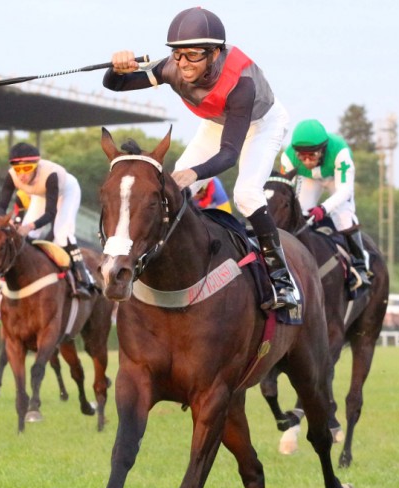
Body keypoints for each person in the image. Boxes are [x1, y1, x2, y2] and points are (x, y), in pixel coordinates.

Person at [104, 6, 296, 310]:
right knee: (172, 190)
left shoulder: (240, 84)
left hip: (261, 124)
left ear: (215, 54)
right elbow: (115, 85)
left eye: (193, 55)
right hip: (217, 121)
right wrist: (117, 67)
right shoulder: (170, 67)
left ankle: (282, 280)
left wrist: (195, 173)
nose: (183, 64)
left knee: (245, 194)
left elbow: (229, 154)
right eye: (178, 54)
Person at [0, 143, 95, 299]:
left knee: (62, 234)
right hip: (41, 194)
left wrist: (29, 226)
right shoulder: (12, 175)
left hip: (66, 190)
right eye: (18, 169)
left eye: (27, 169)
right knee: (25, 236)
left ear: (35, 166)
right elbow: (0, 206)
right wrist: (7, 223)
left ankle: (84, 278)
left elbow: (50, 213)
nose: (22, 175)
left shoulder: (51, 175)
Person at [280, 119, 371, 289]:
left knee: (343, 216)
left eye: (312, 155)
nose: (307, 161)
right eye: (302, 156)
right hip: (309, 179)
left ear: (323, 149)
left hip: (335, 179)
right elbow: (287, 190)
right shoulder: (288, 157)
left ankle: (360, 265)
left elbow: (345, 191)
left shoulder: (340, 151)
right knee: (301, 214)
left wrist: (323, 208)